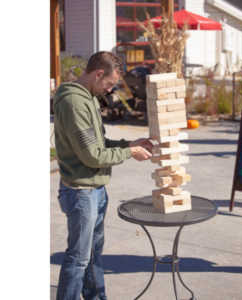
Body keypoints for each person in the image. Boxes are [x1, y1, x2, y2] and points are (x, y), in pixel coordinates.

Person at [53, 51, 153, 300]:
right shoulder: (74, 103)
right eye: (109, 84)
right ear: (98, 74)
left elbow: (100, 143)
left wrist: (128, 143)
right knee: (78, 258)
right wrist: (130, 153)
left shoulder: (89, 97)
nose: (110, 90)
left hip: (95, 189)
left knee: (93, 254)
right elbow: (92, 156)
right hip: (81, 192)